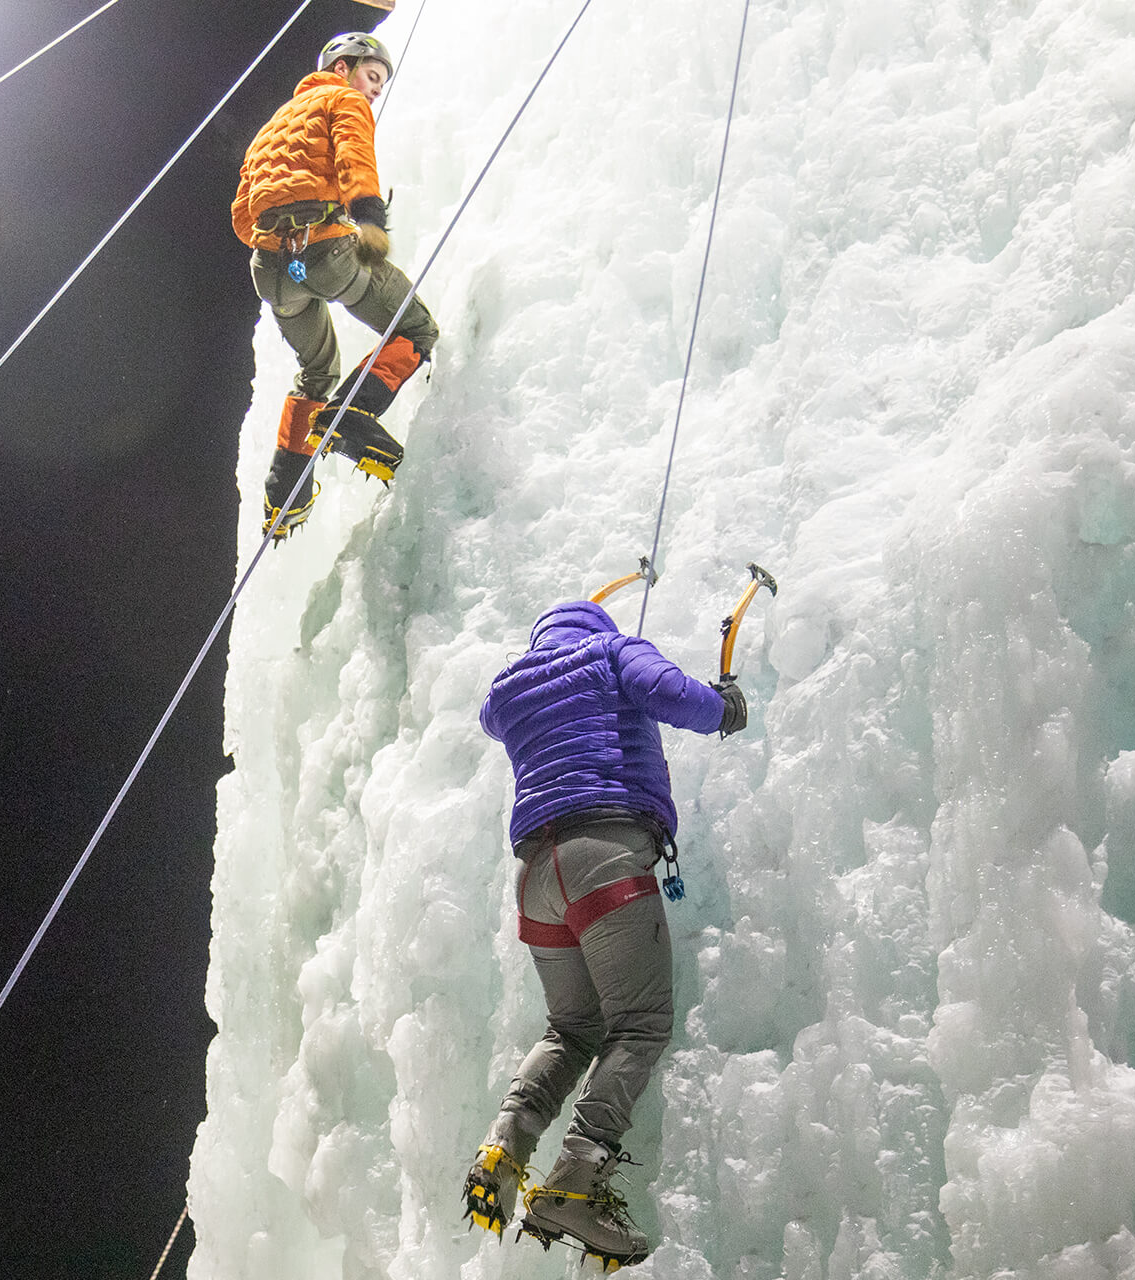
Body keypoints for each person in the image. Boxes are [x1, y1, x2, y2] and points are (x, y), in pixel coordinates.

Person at [464, 600, 749, 1267]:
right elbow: (665, 691)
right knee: (641, 1023)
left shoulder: (510, 689)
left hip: (539, 876)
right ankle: (576, 1179)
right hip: (606, 856)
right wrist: (725, 706)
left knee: (571, 1027)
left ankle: (504, 1146)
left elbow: (489, 715)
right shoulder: (611, 652)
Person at [231, 31, 440, 540]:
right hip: (325, 250)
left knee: (316, 372)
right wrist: (369, 219)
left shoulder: (270, 128)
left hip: (272, 271)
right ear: (343, 69)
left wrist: (279, 241)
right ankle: (353, 415)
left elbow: (242, 215)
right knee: (416, 328)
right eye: (372, 77)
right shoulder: (341, 99)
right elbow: (354, 157)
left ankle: (284, 496)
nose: (374, 91)